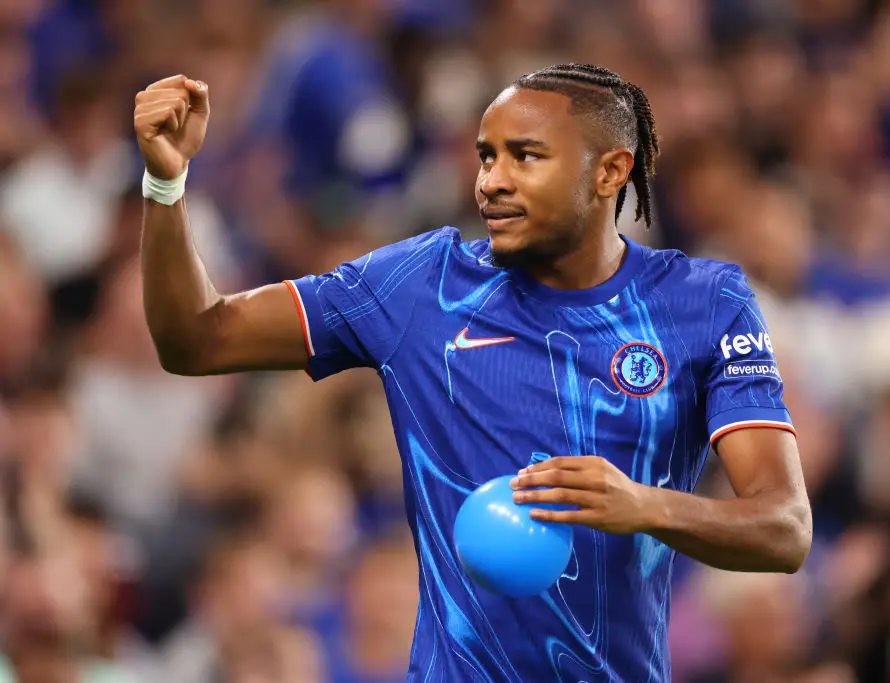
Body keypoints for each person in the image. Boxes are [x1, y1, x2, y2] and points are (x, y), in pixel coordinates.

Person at [133, 63, 812, 682]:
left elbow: (783, 527)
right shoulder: (418, 284)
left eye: (526, 157)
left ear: (610, 172)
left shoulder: (704, 301)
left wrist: (643, 505)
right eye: (487, 157)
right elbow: (196, 339)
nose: (492, 180)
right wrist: (166, 183)